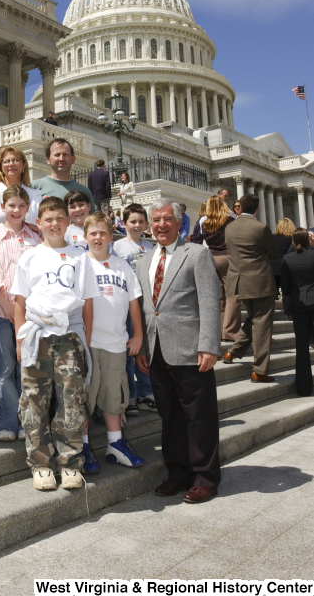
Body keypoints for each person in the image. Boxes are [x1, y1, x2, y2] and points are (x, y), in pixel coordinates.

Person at [135, 198, 221, 503]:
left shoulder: (196, 254)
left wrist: (209, 345)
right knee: (169, 415)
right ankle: (177, 473)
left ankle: (205, 477)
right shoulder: (143, 260)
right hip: (157, 351)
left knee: (200, 417)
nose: (161, 225)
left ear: (178, 221)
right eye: (155, 220)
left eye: (167, 219)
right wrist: (143, 348)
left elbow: (210, 302)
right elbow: (146, 309)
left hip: (190, 349)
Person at [11, 196, 100, 491]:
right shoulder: (30, 256)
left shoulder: (80, 257)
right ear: (39, 223)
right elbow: (20, 302)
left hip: (69, 337)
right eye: (48, 219)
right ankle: (40, 464)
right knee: (34, 400)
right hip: (36, 336)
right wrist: (20, 338)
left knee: (71, 400)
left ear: (68, 221)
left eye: (60, 218)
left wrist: (84, 341)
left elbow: (87, 303)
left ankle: (70, 462)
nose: (54, 224)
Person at [81, 212, 145, 474]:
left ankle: (115, 443)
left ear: (111, 236)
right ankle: (82, 446)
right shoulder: (79, 264)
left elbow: (134, 303)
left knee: (114, 396)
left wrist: (138, 334)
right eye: (93, 233)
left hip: (116, 342)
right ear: (84, 236)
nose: (98, 237)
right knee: (84, 397)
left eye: (103, 233)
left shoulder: (122, 266)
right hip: (87, 342)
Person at [0, 146, 42, 402]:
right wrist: (6, 303)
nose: (12, 164)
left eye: (17, 160)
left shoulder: (35, 195)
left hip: (28, 281)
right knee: (1, 348)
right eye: (7, 161)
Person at [222, 194, 280, 381]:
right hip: (259, 281)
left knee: (254, 319)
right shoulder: (260, 227)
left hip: (238, 280)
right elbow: (274, 252)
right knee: (262, 325)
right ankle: (260, 369)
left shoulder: (229, 227)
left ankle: (232, 352)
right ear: (257, 208)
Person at [114, 204, 155, 413]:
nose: (137, 225)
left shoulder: (151, 247)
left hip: (146, 305)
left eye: (141, 222)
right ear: (124, 223)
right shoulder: (117, 247)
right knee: (129, 350)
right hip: (126, 305)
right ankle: (130, 395)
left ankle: (146, 392)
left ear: (146, 224)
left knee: (146, 350)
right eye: (133, 222)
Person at [201, 195, 241, 342]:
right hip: (226, 256)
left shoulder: (205, 223)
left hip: (211, 257)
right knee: (233, 295)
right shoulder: (229, 220)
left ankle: (218, 330)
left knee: (219, 296)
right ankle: (230, 331)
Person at [280, 228, 314, 397]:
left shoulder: (288, 258)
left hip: (298, 305)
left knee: (301, 347)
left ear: (293, 241)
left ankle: (304, 387)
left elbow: (285, 287)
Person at [32, 138, 96, 211]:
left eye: (65, 154)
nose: (61, 158)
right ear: (48, 159)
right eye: (57, 155)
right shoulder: (34, 187)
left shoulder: (84, 192)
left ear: (73, 159)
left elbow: (91, 221)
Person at [272, 218, 296, 293]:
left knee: (273, 292)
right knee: (287, 292)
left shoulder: (273, 237)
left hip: (273, 266)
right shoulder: (293, 238)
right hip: (287, 266)